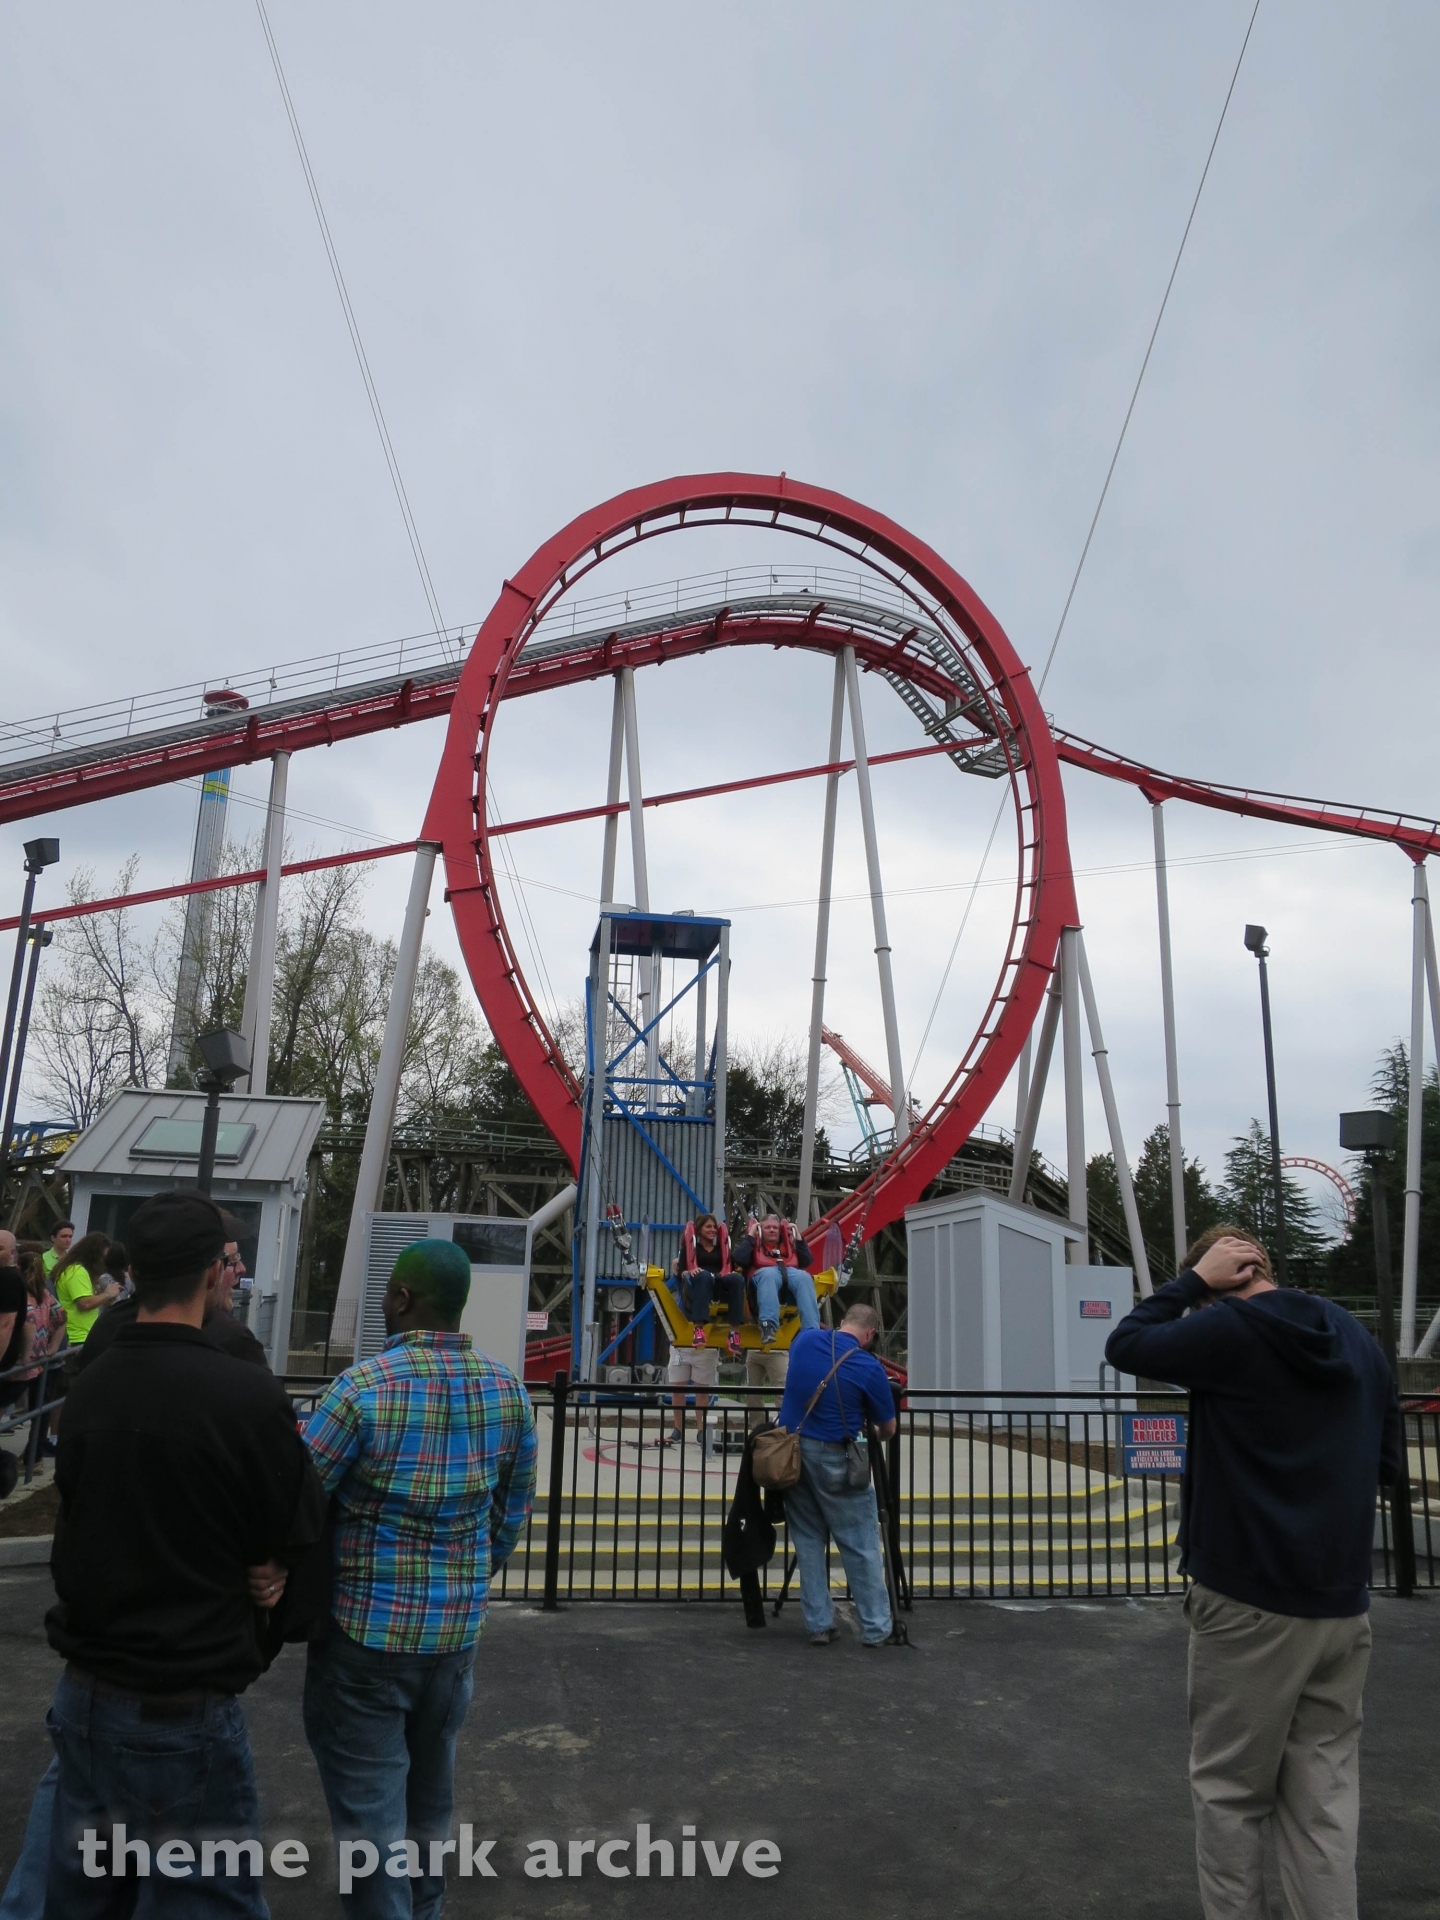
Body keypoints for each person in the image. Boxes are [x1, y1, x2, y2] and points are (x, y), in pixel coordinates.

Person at [41, 1189, 327, 1916]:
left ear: (132, 1272)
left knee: (82, 1899)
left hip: (84, 1691)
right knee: (204, 1897)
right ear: (210, 1273)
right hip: (179, 1705)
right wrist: (272, 1565)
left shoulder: (91, 1386)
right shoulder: (244, 1393)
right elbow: (296, 1517)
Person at [1105, 1226, 1403, 1920]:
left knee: (1230, 1792)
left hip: (1246, 1597)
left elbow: (1127, 1344)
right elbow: (1387, 1464)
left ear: (1217, 1282)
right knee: (1323, 1801)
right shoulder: (1355, 1337)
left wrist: (1192, 1284)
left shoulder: (1229, 1329)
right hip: (1340, 1603)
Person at [295, 1238, 537, 1920]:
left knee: (370, 1818)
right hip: (454, 1638)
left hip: (366, 1635)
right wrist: (470, 1573)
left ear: (401, 1299)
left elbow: (298, 1499)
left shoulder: (360, 1391)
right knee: (430, 1805)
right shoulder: (509, 1392)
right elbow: (511, 1514)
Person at [777, 1303, 897, 1647]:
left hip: (793, 1455)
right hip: (836, 1458)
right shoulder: (868, 1366)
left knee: (808, 1540)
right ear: (870, 1334)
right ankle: (875, 1627)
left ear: (842, 1322)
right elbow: (887, 1428)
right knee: (860, 1545)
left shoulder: (804, 1341)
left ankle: (819, 1624)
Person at [75, 1219, 268, 1376]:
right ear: (213, 1272)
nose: (242, 1269)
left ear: (132, 1274)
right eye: (230, 1261)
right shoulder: (233, 1341)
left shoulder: (105, 1329)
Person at [734, 1214, 819, 1345]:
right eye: (767, 1227)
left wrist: (798, 1237)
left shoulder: (787, 1245)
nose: (772, 1230)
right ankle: (767, 1325)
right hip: (762, 1276)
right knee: (769, 1274)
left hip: (788, 1272)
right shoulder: (754, 1244)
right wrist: (751, 1236)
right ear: (760, 1229)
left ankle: (811, 1329)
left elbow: (807, 1261)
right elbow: (738, 1258)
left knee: (804, 1277)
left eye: (775, 1227)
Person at [51, 1232, 120, 1371]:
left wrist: (104, 1299)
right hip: (77, 1338)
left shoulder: (75, 1269)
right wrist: (108, 1293)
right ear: (93, 1255)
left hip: (82, 1336)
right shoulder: (77, 1271)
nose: (104, 1261)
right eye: (103, 1256)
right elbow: (84, 1303)